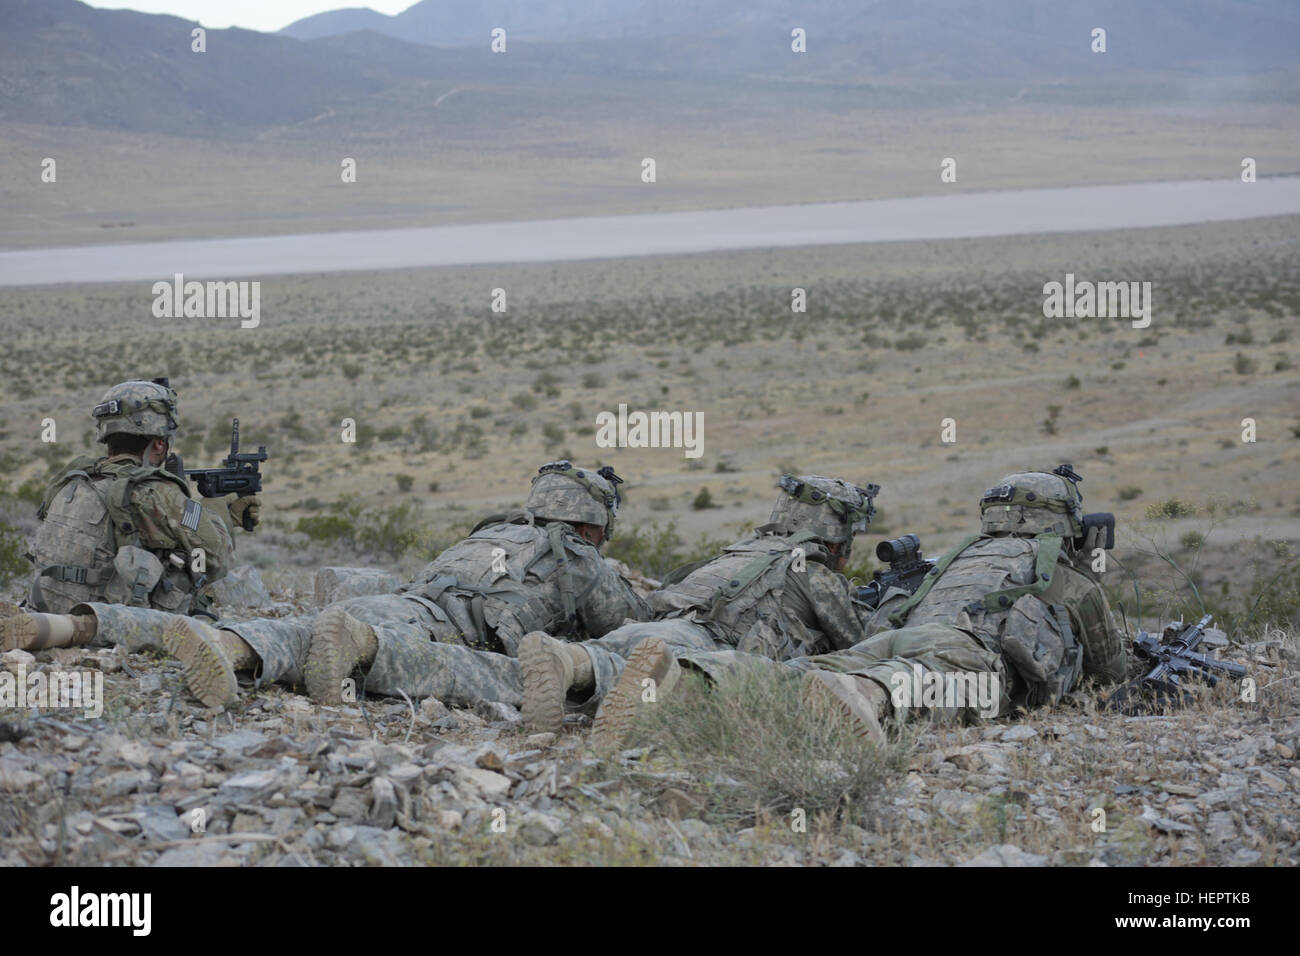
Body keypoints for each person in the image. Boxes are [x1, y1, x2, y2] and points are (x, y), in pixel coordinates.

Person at [156, 460, 653, 710]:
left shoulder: (494, 529)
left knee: (305, 631)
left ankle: (227, 645)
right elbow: (631, 630)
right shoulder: (586, 559)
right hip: (441, 632)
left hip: (403, 601)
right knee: (445, 670)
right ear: (593, 525)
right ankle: (361, 648)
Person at [712, 465, 1129, 743]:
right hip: (959, 653)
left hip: (894, 639)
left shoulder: (955, 562)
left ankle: (713, 679)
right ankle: (853, 698)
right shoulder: (1065, 578)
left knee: (811, 669)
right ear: (1066, 522)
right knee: (902, 684)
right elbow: (1110, 670)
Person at [518, 474, 881, 747]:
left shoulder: (740, 551)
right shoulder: (813, 572)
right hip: (710, 642)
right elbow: (861, 643)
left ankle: (566, 660)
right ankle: (572, 668)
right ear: (837, 537)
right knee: (663, 675)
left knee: (603, 653)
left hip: (662, 623)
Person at [1, 380, 260, 704]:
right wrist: (219, 512)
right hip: (110, 624)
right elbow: (217, 558)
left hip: (48, 608)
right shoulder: (156, 491)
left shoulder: (73, 479)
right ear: (159, 445)